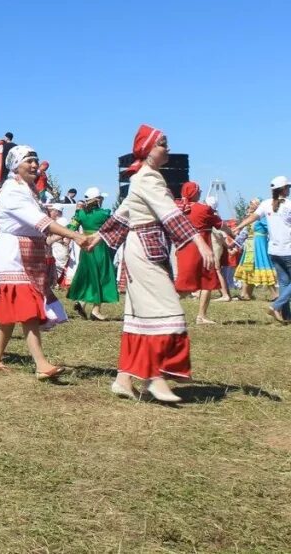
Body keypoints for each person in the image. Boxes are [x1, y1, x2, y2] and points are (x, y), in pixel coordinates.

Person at [94, 125, 212, 402]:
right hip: (145, 252)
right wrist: (199, 241)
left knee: (138, 318)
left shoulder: (142, 179)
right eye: (162, 144)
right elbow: (169, 213)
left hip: (143, 249)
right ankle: (155, 377)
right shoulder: (149, 179)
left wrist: (97, 238)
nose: (167, 149)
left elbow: (123, 214)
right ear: (148, 150)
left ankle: (124, 378)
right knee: (167, 311)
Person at [0, 145, 89, 379]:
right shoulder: (13, 191)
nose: (33, 165)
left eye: (35, 160)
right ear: (15, 165)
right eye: (28, 160)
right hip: (15, 255)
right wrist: (76, 236)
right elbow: (39, 220)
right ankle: (41, 364)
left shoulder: (25, 189)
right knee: (29, 308)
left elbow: (3, 219)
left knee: (11, 311)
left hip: (23, 252)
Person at [233, 176, 291, 322]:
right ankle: (275, 306)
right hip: (288, 249)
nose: (289, 189)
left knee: (284, 282)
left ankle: (286, 315)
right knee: (285, 282)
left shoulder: (266, 204)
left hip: (273, 250)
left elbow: (253, 217)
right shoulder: (289, 205)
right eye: (288, 187)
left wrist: (238, 227)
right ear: (283, 189)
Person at [173, 181, 225, 325]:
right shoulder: (204, 209)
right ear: (194, 193)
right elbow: (220, 225)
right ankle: (201, 316)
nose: (201, 192)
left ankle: (163, 311)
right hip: (202, 250)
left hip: (183, 248)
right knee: (206, 282)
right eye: (199, 190)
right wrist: (233, 233)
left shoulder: (177, 208)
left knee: (184, 285)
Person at [66, 187, 119, 320]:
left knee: (89, 276)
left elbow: (71, 228)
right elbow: (114, 228)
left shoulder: (80, 214)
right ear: (98, 199)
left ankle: (83, 303)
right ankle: (96, 310)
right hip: (99, 246)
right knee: (101, 276)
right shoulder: (104, 214)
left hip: (85, 247)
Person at [233, 199, 277, 300]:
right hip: (250, 245)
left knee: (263, 265)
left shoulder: (263, 217)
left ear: (258, 205)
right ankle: (245, 294)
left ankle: (275, 294)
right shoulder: (250, 218)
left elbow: (271, 228)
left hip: (259, 243)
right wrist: (235, 244)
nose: (250, 205)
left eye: (252, 203)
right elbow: (244, 233)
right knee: (248, 268)